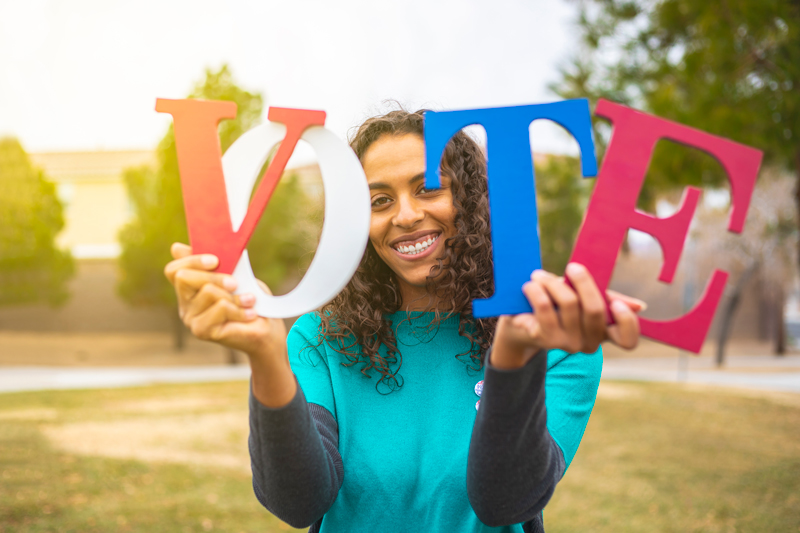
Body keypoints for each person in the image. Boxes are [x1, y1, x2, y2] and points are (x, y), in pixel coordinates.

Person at [164, 109, 642, 533]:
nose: (407, 216)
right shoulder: (320, 338)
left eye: (428, 188)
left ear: (472, 203)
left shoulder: (556, 340)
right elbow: (298, 501)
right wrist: (266, 353)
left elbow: (506, 502)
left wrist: (514, 357)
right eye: (379, 201)